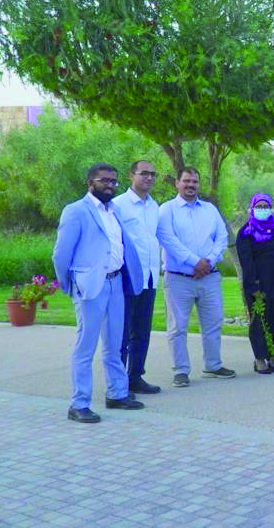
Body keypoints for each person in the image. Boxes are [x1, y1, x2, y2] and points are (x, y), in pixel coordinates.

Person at [53, 163, 145, 422]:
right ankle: (79, 403)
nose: (110, 185)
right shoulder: (76, 211)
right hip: (90, 287)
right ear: (90, 182)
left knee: (115, 345)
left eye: (114, 181)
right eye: (104, 180)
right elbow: (61, 254)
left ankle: (117, 393)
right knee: (86, 346)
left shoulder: (113, 211)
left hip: (116, 284)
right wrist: (70, 284)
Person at [157, 167, 235, 387]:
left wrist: (208, 261)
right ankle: (181, 370)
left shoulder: (210, 209)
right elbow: (168, 240)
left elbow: (221, 237)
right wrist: (195, 261)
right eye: (186, 181)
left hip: (209, 276)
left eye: (194, 182)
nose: (191, 185)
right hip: (179, 277)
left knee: (213, 323)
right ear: (177, 183)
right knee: (178, 325)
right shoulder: (167, 210)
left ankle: (213, 365)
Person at [112, 160, 162, 394]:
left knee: (142, 332)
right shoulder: (118, 205)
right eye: (144, 174)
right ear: (131, 175)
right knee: (123, 333)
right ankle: (118, 382)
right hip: (128, 279)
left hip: (150, 278)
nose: (149, 178)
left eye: (153, 174)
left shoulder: (154, 206)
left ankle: (136, 377)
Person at [235, 194, 274, 374]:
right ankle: (260, 358)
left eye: (265, 206)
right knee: (260, 320)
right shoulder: (245, 233)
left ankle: (273, 356)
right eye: (259, 206)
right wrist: (254, 285)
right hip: (257, 282)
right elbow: (246, 262)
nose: (262, 209)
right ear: (252, 208)